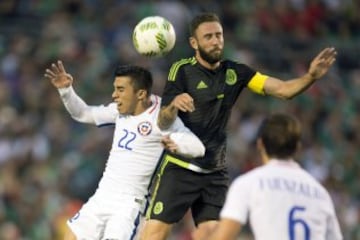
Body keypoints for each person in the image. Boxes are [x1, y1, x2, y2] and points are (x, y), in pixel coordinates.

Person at [141, 12, 337, 240]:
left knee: (211, 235)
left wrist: (310, 77)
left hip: (214, 172)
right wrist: (173, 104)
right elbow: (163, 121)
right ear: (194, 43)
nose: (216, 41)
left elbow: (283, 90)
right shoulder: (182, 70)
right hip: (179, 165)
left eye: (219, 35)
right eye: (208, 37)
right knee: (155, 234)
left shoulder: (237, 72)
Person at [44, 61, 205, 240]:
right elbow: (83, 113)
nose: (114, 95)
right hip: (102, 195)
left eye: (120, 90)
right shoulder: (120, 111)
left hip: (129, 205)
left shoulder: (162, 117)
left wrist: (177, 144)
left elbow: (198, 148)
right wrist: (66, 91)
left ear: (141, 94)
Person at [204, 113, 343, 240]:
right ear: (297, 147)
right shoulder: (320, 192)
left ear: (260, 144)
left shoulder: (249, 183)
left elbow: (223, 237)